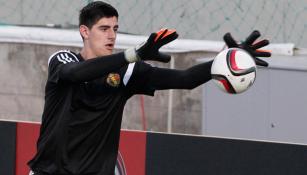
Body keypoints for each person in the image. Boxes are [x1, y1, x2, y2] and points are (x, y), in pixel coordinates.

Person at [28, 1, 271, 175]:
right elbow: (76, 74)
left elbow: (185, 79)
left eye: (115, 29)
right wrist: (134, 54)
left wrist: (228, 60)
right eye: (104, 29)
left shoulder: (128, 72)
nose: (111, 35)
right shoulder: (62, 60)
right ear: (84, 31)